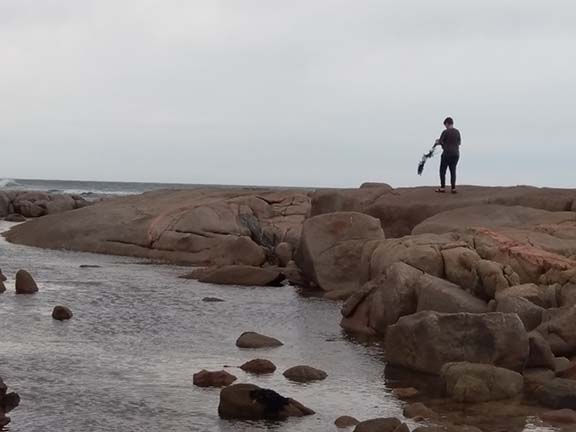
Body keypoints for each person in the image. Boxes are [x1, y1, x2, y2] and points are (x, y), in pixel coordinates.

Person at [434, 117, 461, 193]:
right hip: (456, 154)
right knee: (453, 170)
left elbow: (440, 142)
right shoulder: (457, 132)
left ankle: (442, 188)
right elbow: (459, 143)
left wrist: (437, 142)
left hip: (447, 154)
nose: (445, 126)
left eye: (445, 125)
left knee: (442, 170)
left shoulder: (445, 132)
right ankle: (453, 188)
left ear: (447, 123)